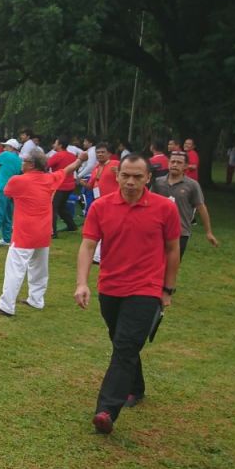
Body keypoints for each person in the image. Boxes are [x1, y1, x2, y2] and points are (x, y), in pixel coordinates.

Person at [75, 154, 181, 435]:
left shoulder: (164, 209)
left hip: (145, 289)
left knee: (124, 345)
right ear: (117, 175)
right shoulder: (101, 206)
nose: (131, 182)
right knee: (122, 341)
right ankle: (136, 387)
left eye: (137, 176)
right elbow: (88, 246)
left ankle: (107, 410)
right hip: (110, 288)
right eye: (126, 176)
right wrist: (82, 283)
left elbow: (172, 249)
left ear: (148, 178)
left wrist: (167, 289)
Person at [0, 149, 82, 317]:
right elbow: (66, 170)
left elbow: (8, 193)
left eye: (24, 161)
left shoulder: (18, 181)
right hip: (43, 231)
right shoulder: (49, 179)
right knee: (39, 268)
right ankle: (36, 300)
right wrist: (79, 160)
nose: (21, 163)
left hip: (25, 232)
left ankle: (6, 305)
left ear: (31, 164)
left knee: (15, 269)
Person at [151, 151, 219, 258]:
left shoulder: (192, 185)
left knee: (172, 266)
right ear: (168, 163)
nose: (175, 164)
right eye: (172, 161)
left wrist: (208, 232)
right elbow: (148, 203)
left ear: (186, 166)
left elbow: (201, 207)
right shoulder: (158, 183)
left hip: (180, 232)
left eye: (179, 162)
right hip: (159, 230)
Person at [47, 136, 79, 237]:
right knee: (61, 207)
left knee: (52, 207)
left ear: (60, 145)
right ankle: (71, 225)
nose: (54, 145)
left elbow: (46, 165)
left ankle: (52, 232)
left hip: (59, 185)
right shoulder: (72, 156)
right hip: (70, 186)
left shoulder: (58, 155)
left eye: (55, 143)